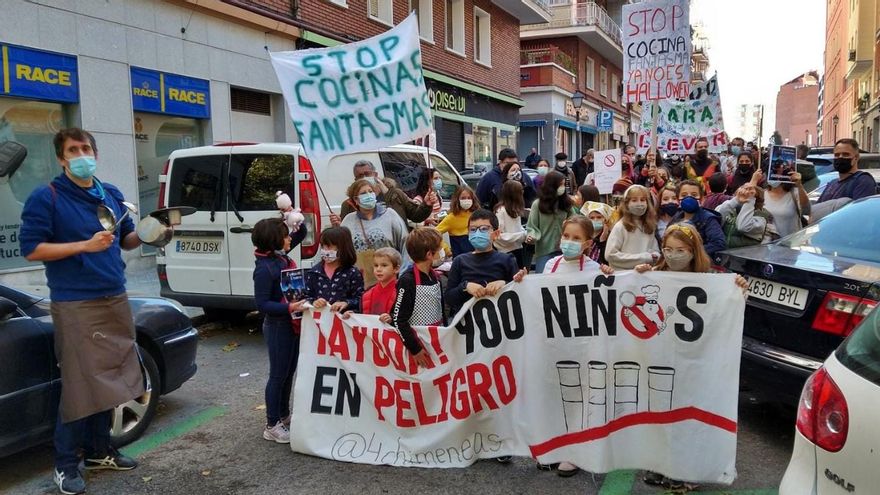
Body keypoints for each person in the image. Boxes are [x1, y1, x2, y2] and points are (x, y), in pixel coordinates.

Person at [20, 128, 143, 495]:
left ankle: (99, 451)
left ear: (96, 153)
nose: (81, 154)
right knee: (79, 383)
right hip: (75, 301)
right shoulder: (47, 197)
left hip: (114, 295)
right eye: (73, 150)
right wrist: (83, 246)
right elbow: (32, 249)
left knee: (111, 377)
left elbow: (127, 240)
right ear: (61, 158)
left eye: (86, 148)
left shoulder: (111, 195)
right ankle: (64, 464)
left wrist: (157, 231)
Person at [634, 222, 748, 491]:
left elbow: (727, 308)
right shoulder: (655, 275)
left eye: (680, 250)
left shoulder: (711, 278)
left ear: (693, 250)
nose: (673, 255)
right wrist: (639, 274)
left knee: (688, 415)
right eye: (668, 249)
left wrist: (739, 288)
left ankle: (687, 471)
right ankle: (660, 464)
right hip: (661, 357)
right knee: (660, 412)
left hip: (694, 360)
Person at [251, 218, 304, 445]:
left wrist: (293, 216)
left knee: (289, 372)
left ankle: (284, 415)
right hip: (278, 326)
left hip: (292, 323)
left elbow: (301, 233)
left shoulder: (279, 256)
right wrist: (289, 307)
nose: (289, 238)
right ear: (274, 240)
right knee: (277, 375)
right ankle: (272, 424)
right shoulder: (265, 268)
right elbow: (262, 304)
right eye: (285, 235)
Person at [446, 209, 527, 318]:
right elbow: (449, 298)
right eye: (473, 229)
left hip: (499, 323)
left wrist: (505, 283)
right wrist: (465, 287)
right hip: (468, 326)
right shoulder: (459, 261)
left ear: (496, 233)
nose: (478, 233)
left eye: (484, 229)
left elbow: (520, 293)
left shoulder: (507, 259)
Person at [391, 227, 446, 368]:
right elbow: (399, 319)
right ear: (429, 254)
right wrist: (415, 349)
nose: (443, 251)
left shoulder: (435, 276)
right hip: (418, 343)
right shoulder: (407, 280)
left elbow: (441, 309)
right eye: (440, 248)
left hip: (437, 339)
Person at [340, 179, 408, 287]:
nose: (368, 195)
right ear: (356, 200)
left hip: (390, 282)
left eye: (370, 191)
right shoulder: (348, 221)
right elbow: (342, 251)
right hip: (360, 283)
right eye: (363, 193)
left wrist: (403, 275)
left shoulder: (390, 215)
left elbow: (405, 245)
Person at [332, 159, 436, 227]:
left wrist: (426, 205)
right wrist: (338, 226)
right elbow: (346, 233)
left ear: (375, 174)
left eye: (367, 174)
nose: (364, 178)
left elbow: (416, 216)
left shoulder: (396, 195)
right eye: (360, 176)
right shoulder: (349, 204)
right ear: (355, 179)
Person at [298, 226, 365, 318]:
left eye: (329, 247)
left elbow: (361, 299)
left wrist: (346, 303)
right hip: (319, 323)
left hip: (343, 324)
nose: (325, 250)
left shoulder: (352, 273)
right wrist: (314, 302)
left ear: (342, 248)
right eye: (323, 246)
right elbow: (304, 297)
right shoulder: (314, 272)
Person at [526, 171, 578, 272]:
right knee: (543, 279)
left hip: (564, 249)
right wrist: (532, 236)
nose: (563, 187)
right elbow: (532, 226)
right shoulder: (537, 204)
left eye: (564, 184)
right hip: (544, 250)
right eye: (560, 185)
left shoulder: (566, 203)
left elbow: (575, 221)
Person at [668, 179, 727, 260]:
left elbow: (719, 243)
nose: (689, 198)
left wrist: (692, 251)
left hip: (700, 263)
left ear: (702, 199)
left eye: (694, 195)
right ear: (678, 199)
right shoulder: (676, 217)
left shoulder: (708, 218)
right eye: (684, 195)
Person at [605, 185, 660, 270]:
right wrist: (643, 258)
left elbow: (655, 251)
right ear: (627, 204)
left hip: (645, 275)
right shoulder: (620, 227)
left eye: (642, 200)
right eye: (634, 200)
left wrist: (654, 256)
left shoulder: (649, 226)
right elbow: (610, 254)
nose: (639, 203)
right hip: (624, 276)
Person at [344, 247, 401, 323]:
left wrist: (392, 318)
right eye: (376, 265)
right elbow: (364, 315)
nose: (378, 269)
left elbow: (407, 317)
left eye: (384, 265)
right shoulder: (367, 293)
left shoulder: (402, 291)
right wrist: (353, 315)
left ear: (396, 269)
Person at [816, 138, 876, 204]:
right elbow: (818, 208)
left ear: (856, 157)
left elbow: (860, 210)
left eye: (846, 154)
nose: (840, 157)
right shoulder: (832, 183)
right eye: (837, 155)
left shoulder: (863, 181)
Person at [435, 185, 480, 257]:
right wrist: (446, 249)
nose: (466, 200)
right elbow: (433, 234)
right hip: (461, 259)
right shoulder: (451, 218)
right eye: (463, 198)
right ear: (457, 199)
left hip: (478, 256)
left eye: (469, 198)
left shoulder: (477, 214)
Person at [764, 171, 810, 237]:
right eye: (773, 175)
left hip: (791, 242)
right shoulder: (762, 194)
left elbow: (806, 207)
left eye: (779, 175)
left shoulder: (795, 193)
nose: (776, 177)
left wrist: (799, 185)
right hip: (768, 244)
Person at [494, 180, 527, 269]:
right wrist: (522, 235)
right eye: (520, 191)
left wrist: (525, 234)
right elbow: (499, 236)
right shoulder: (501, 211)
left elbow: (519, 228)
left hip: (518, 250)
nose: (522, 193)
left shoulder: (515, 210)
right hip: (505, 252)